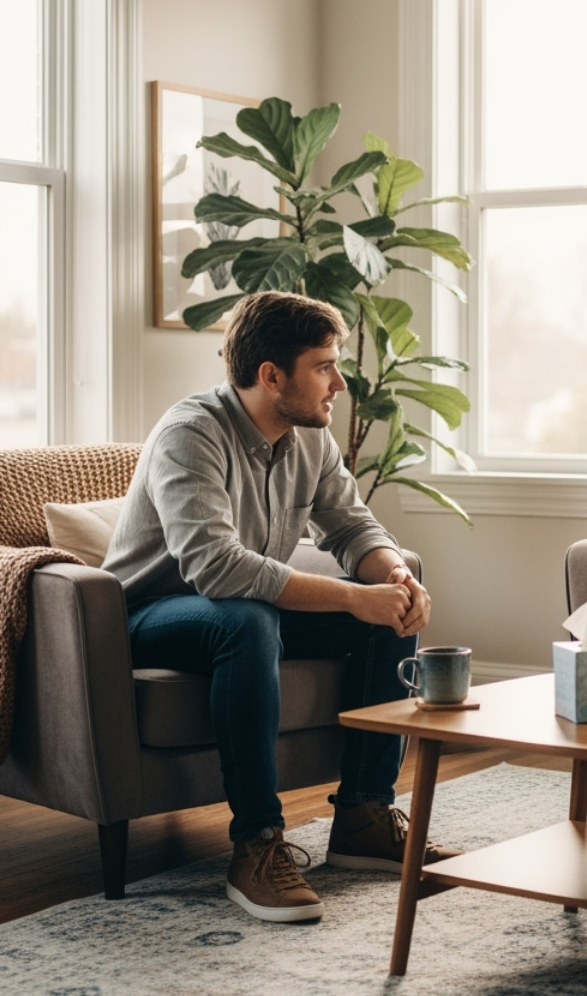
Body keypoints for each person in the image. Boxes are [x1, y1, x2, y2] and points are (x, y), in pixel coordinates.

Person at [103, 290, 459, 924]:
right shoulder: (191, 435)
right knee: (248, 618)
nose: (340, 383)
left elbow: (351, 526)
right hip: (149, 616)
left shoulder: (308, 437)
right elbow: (216, 567)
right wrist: (355, 596)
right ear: (272, 376)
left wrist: (396, 579)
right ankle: (257, 845)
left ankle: (363, 818)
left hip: (236, 610)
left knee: (386, 611)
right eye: (324, 365)